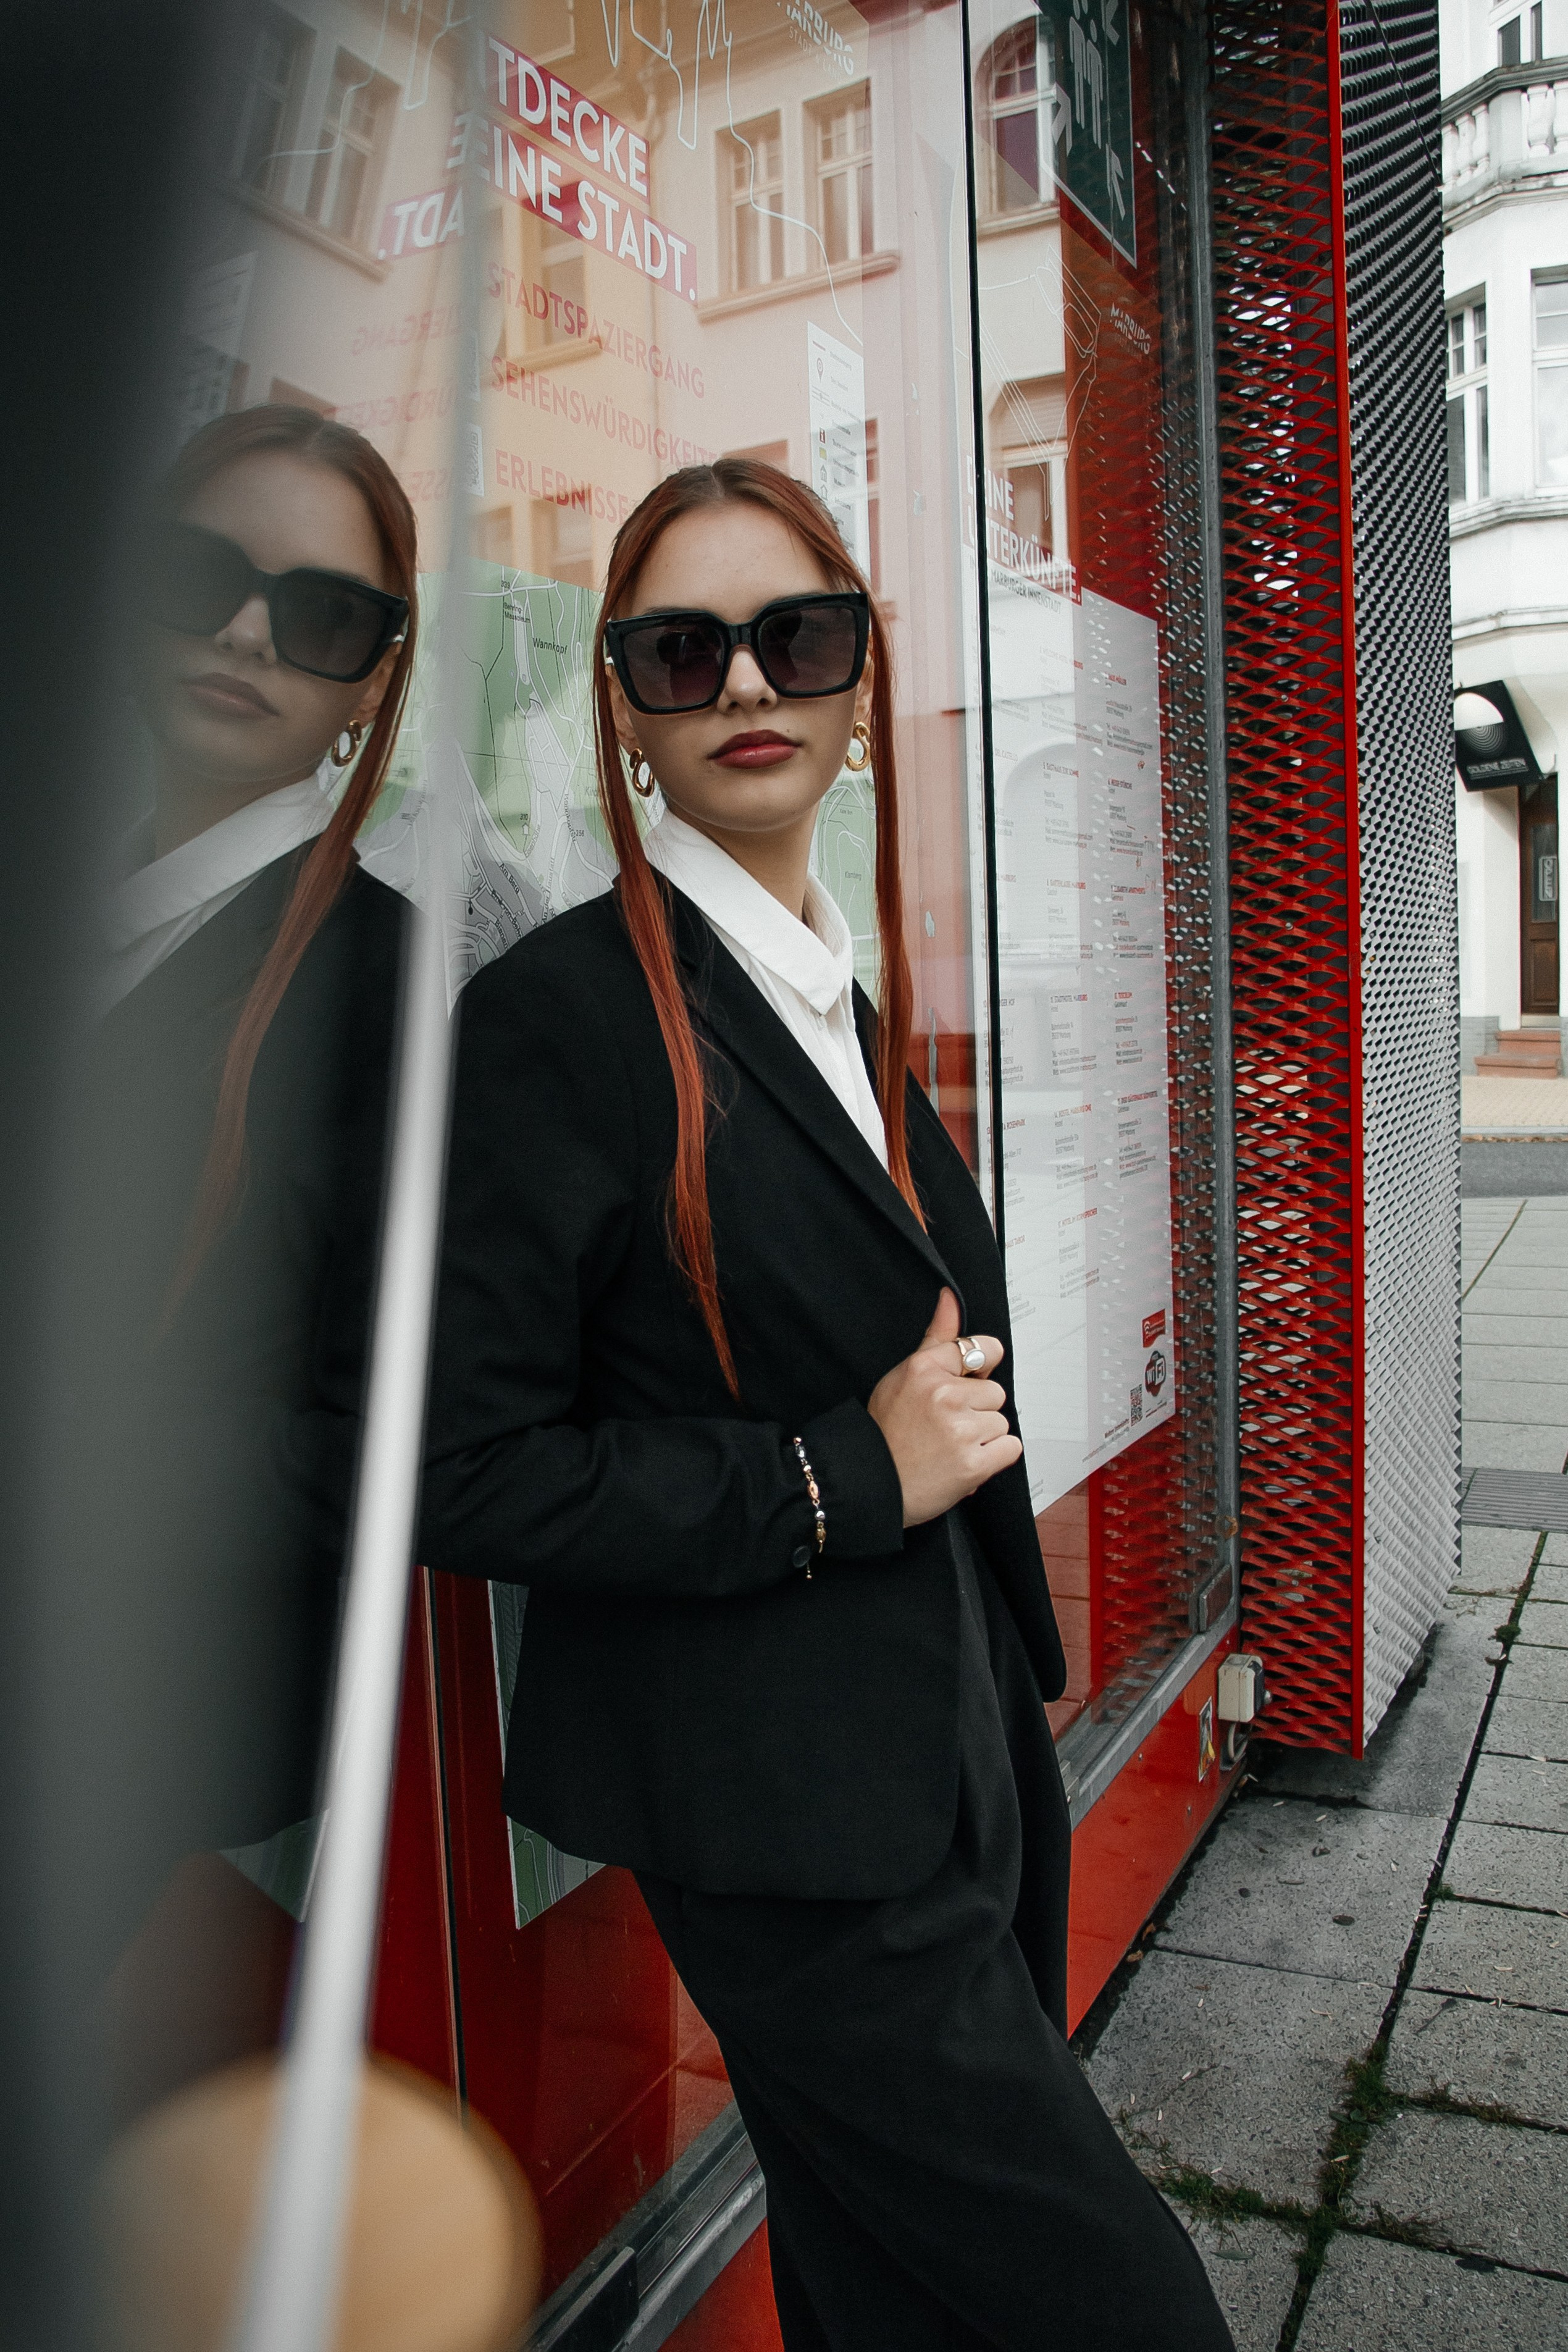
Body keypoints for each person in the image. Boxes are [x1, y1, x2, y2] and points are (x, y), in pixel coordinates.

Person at [421, 460, 1233, 2350]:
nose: (745, 689)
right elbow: (468, 1471)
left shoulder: (817, 994)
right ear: (622, 707)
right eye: (680, 652)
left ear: (860, 681)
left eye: (795, 637)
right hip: (781, 1807)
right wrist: (830, 1477)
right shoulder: (565, 1015)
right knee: (1115, 2310)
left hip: (951, 1737)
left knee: (889, 2287)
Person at [84, 406, 416, 2102]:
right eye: (204, 577)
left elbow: (381, 1439)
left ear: (373, 681)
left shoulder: (393, 993)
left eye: (320, 616)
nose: (240, 636)